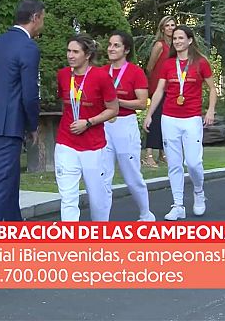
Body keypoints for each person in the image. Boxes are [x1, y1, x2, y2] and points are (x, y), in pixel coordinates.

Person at [0, 0, 44, 221]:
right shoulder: (28, 47)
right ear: (34, 18)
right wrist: (33, 125)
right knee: (2, 182)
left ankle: (14, 226)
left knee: (10, 177)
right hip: (8, 124)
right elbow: (29, 92)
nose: (42, 24)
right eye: (42, 19)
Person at [144, 25, 217, 220]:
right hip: (169, 118)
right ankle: (177, 205)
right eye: (175, 38)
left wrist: (210, 110)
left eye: (181, 38)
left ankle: (199, 191)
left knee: (193, 163)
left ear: (190, 40)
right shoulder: (169, 64)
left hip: (192, 118)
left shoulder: (201, 62)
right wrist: (150, 114)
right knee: (174, 164)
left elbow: (212, 88)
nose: (177, 41)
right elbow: (159, 90)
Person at [55, 35, 119, 221]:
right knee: (68, 197)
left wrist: (88, 122)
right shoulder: (63, 75)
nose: (70, 55)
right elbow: (66, 104)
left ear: (88, 55)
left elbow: (113, 109)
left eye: (75, 52)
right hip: (66, 143)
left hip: (94, 146)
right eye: (68, 51)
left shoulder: (101, 77)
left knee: (98, 198)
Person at [102, 31, 156, 221]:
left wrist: (117, 102)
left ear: (126, 49)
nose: (111, 48)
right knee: (102, 177)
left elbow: (142, 103)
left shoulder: (135, 72)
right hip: (103, 127)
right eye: (110, 44)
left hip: (125, 126)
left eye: (116, 45)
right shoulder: (102, 72)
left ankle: (145, 213)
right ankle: (102, 221)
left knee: (132, 175)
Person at [143, 16, 177, 167]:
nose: (170, 28)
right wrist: (156, 85)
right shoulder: (159, 45)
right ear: (162, 28)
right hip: (158, 88)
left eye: (173, 25)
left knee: (166, 121)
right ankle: (148, 154)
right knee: (154, 119)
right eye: (167, 25)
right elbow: (149, 67)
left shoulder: (176, 46)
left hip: (171, 88)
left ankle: (163, 153)